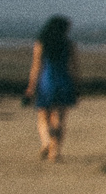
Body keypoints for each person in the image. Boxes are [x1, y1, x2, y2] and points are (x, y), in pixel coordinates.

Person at [24, 15, 79, 161]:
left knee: (43, 116)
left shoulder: (41, 44)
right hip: (64, 81)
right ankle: (55, 153)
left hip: (46, 82)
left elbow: (36, 67)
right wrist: (76, 85)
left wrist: (30, 87)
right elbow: (74, 68)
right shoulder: (69, 45)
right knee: (59, 119)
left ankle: (46, 142)